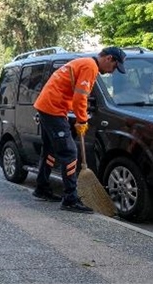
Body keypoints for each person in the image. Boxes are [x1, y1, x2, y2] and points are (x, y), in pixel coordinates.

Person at [32, 46, 126, 213]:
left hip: (47, 106)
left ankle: (42, 188)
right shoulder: (90, 67)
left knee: (50, 150)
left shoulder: (85, 63)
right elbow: (80, 97)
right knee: (69, 152)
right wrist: (82, 120)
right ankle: (70, 199)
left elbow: (75, 94)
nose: (112, 72)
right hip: (53, 109)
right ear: (109, 58)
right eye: (114, 67)